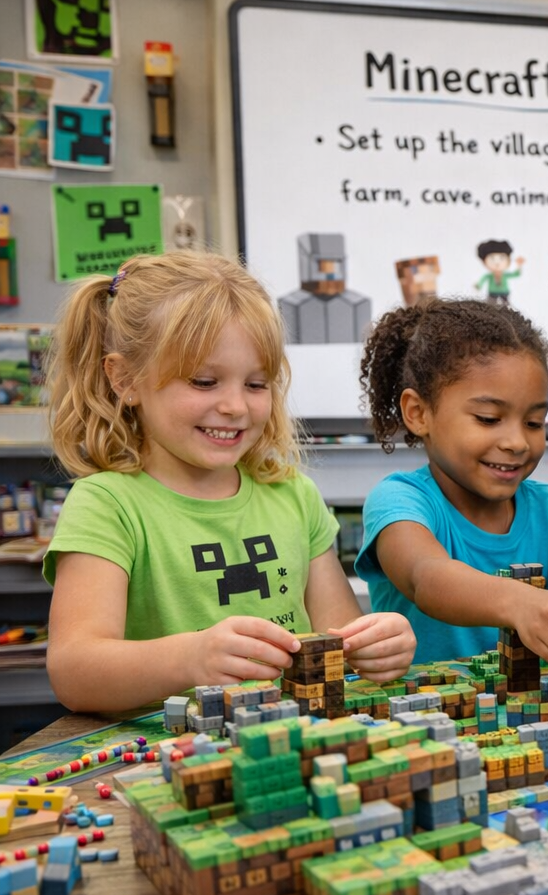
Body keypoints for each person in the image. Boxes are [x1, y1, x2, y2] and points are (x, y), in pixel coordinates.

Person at [44, 252, 416, 712]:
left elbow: (338, 639)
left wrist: (376, 646)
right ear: (125, 380)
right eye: (203, 382)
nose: (236, 406)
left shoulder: (293, 495)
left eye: (257, 385)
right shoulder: (106, 505)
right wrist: (191, 658)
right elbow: (75, 672)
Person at [357, 297, 548, 667]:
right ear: (418, 413)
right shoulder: (400, 502)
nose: (517, 442)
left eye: (534, 423)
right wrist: (521, 602)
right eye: (489, 418)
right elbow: (427, 578)